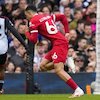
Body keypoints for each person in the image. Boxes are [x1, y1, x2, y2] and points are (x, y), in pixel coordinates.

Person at [24, 5, 84, 98]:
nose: (26, 18)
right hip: (58, 43)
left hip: (59, 43)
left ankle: (77, 89)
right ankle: (64, 60)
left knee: (59, 70)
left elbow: (34, 40)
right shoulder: (46, 16)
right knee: (42, 66)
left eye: (26, 15)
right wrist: (67, 32)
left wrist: (26, 33)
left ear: (29, 13)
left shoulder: (33, 21)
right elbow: (63, 17)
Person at [0, 16, 28, 94]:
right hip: (1, 48)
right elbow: (14, 32)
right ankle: (0, 89)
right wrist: (25, 45)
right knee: (1, 68)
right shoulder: (4, 19)